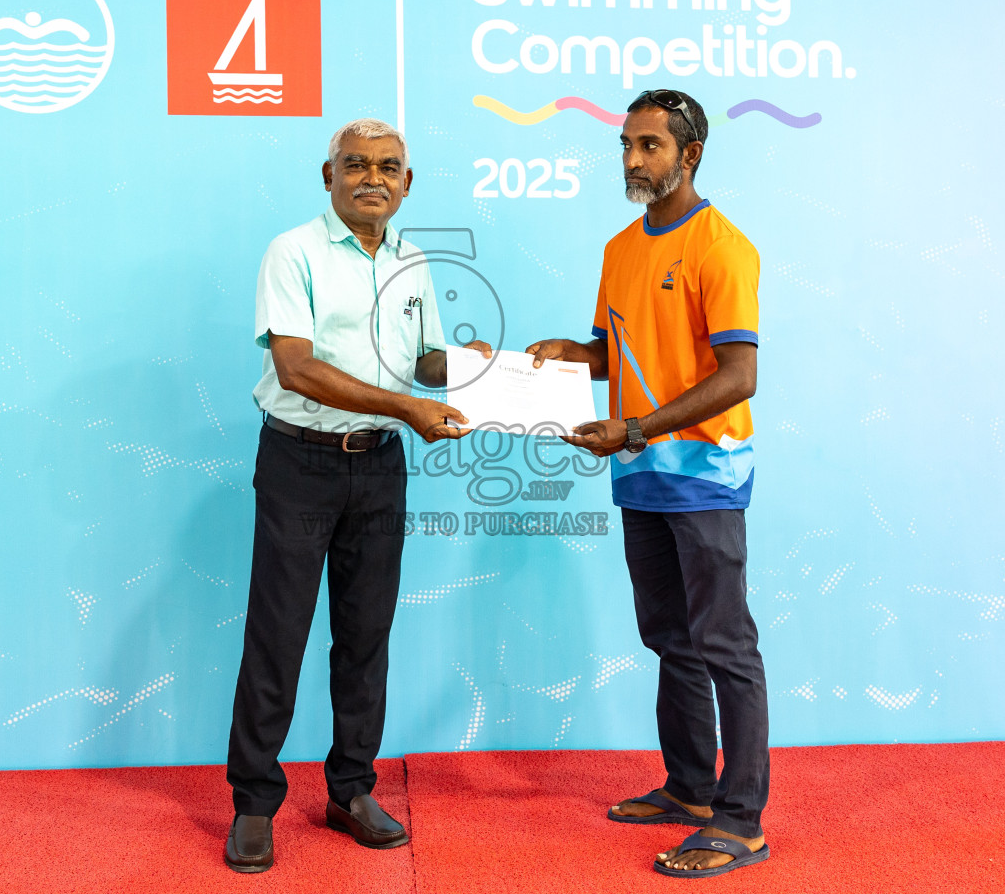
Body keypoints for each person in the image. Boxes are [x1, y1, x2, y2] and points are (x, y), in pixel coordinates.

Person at [224, 118, 490, 873]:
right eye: (356, 164)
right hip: (299, 461)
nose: (372, 177)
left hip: (379, 465)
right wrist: (407, 405)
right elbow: (297, 368)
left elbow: (427, 364)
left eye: (388, 166)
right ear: (328, 174)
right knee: (277, 635)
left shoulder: (413, 262)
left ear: (408, 183)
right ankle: (252, 803)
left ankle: (350, 792)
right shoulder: (293, 252)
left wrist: (475, 367)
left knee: (365, 635)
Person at [526, 90, 770, 879]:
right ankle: (691, 789)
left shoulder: (722, 247)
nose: (632, 160)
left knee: (725, 645)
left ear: (689, 154)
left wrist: (633, 429)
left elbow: (739, 377)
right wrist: (573, 353)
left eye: (649, 147)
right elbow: (615, 352)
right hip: (639, 479)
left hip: (704, 478)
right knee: (670, 639)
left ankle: (741, 820)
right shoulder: (620, 249)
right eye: (626, 145)